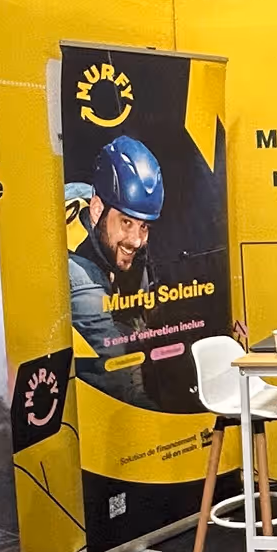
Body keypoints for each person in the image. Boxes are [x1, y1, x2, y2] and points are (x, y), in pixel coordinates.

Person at [69, 137, 165, 407]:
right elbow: (120, 380)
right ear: (97, 210)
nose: (136, 240)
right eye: (126, 222)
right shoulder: (81, 282)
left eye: (144, 226)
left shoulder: (86, 198)